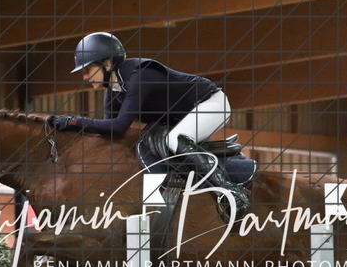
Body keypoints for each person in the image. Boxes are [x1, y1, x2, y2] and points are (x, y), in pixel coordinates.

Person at [47, 32, 249, 219]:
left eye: (88, 69)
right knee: (146, 146)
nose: (84, 77)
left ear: (107, 64)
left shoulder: (140, 75)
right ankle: (155, 210)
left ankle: (231, 191)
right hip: (181, 117)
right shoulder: (113, 92)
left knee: (174, 139)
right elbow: (111, 134)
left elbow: (118, 126)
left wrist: (73, 121)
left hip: (209, 103)